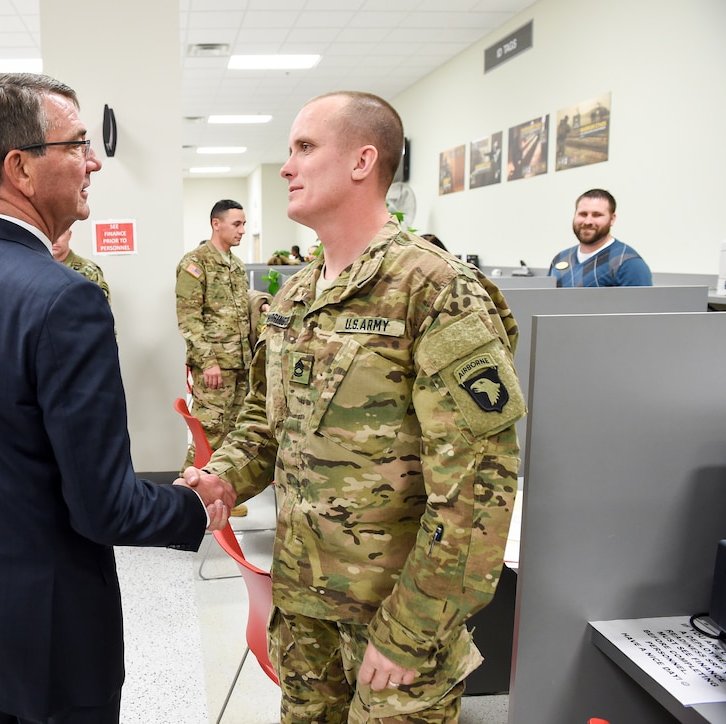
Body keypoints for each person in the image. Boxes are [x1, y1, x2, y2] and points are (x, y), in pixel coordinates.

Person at [0, 72, 235, 724]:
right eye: (78, 145)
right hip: (45, 627)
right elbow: (103, 507)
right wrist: (192, 509)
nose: (94, 161)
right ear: (22, 168)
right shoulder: (65, 299)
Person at [186, 90, 526, 722]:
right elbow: (266, 420)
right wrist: (224, 476)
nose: (286, 167)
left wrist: (415, 627)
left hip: (393, 619)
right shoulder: (294, 297)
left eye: (305, 148)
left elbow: (478, 487)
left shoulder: (435, 290)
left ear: (363, 161)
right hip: (305, 610)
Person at [175, 199, 253, 517]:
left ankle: (218, 498)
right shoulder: (195, 263)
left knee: (232, 433)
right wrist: (208, 361)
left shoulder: (236, 266)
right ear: (216, 224)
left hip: (239, 365)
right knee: (207, 433)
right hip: (214, 368)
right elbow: (189, 318)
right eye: (237, 224)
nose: (243, 230)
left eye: (244, 224)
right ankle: (182, 501)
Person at [548, 189, 652, 287]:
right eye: (583, 214)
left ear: (612, 219)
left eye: (597, 215)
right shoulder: (560, 258)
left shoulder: (628, 264)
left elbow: (642, 305)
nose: (588, 221)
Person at [51, 227, 111, 303]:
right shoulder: (38, 269)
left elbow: (101, 309)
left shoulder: (88, 271)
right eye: (51, 234)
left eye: (60, 234)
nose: (55, 239)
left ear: (69, 235)